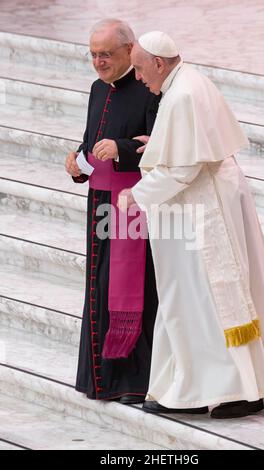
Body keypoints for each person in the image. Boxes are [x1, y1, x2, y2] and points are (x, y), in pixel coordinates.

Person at [118, 31, 264, 418]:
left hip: (202, 211)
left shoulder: (182, 93)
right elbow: (186, 144)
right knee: (202, 298)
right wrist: (161, 142)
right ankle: (221, 386)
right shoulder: (187, 81)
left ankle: (231, 389)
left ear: (160, 63)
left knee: (204, 299)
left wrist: (139, 192)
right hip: (207, 200)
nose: (136, 76)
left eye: (139, 66)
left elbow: (184, 167)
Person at [65, 20, 160, 404]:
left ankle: (133, 382)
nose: (99, 62)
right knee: (99, 288)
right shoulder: (96, 88)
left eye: (106, 54)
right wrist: (78, 162)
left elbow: (156, 147)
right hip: (99, 203)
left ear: (128, 51)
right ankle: (100, 381)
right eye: (93, 54)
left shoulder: (148, 90)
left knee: (131, 290)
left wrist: (119, 148)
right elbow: (92, 141)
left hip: (132, 204)